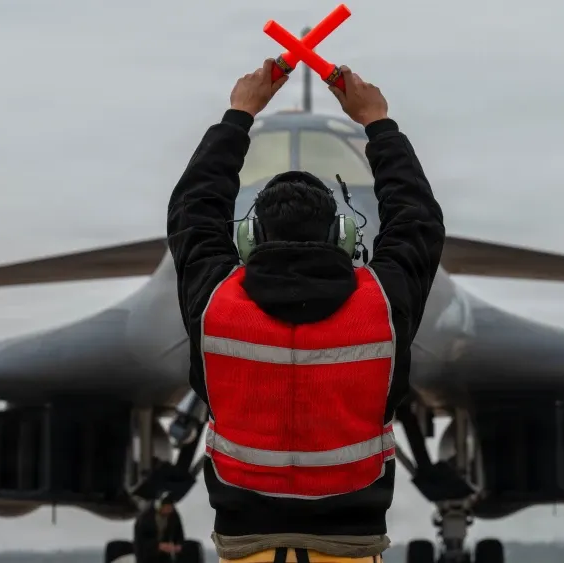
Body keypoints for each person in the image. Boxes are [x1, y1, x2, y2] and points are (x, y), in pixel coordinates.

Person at [166, 59, 445, 563]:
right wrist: (377, 120)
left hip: (246, 553)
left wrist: (239, 114)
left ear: (248, 239)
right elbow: (417, 221)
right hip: (350, 553)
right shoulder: (381, 309)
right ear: (345, 236)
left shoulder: (215, 308)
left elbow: (194, 211)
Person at [134, 493, 186, 563]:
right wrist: (158, 546)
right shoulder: (145, 517)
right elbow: (140, 543)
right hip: (147, 557)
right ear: (159, 506)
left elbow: (179, 532)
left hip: (164, 556)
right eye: (167, 508)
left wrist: (178, 545)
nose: (169, 511)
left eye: (171, 508)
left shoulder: (173, 514)